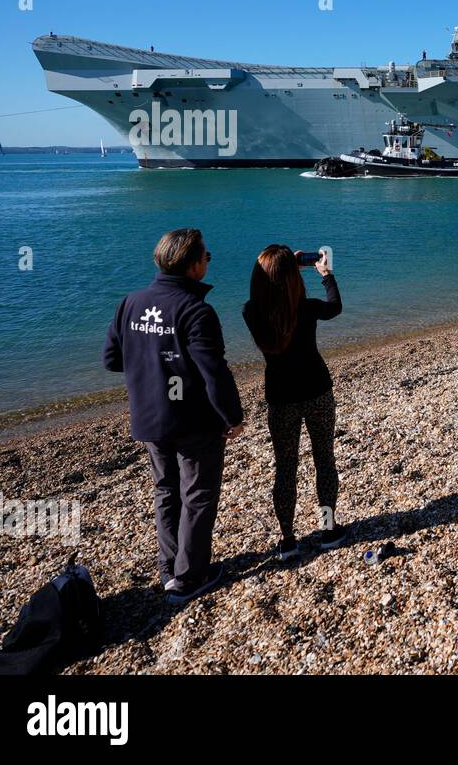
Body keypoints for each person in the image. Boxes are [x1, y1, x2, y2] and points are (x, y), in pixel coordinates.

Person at [103, 228, 243, 606]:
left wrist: (153, 367)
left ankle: (170, 569)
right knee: (197, 494)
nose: (209, 261)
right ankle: (188, 577)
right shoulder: (196, 311)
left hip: (149, 417)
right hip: (193, 420)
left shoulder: (129, 304)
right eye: (207, 256)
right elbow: (214, 372)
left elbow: (112, 360)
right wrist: (233, 416)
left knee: (166, 491)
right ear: (193, 265)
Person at [242, 247, 345, 559]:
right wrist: (325, 275)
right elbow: (335, 307)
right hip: (316, 391)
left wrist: (284, 270)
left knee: (285, 469)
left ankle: (288, 540)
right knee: (324, 459)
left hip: (281, 397)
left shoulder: (251, 312)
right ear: (291, 276)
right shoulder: (307, 307)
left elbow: (271, 295)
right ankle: (328, 530)